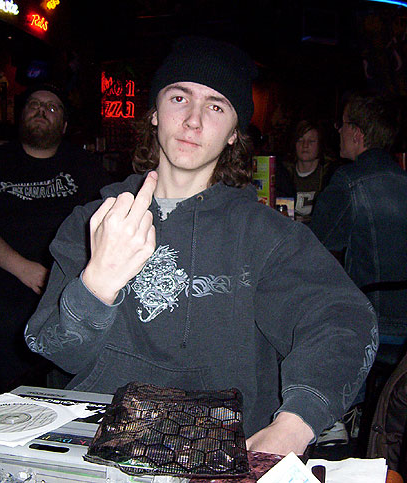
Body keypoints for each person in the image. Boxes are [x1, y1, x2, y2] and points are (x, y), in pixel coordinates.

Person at [25, 36, 377, 456]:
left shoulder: (265, 236)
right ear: (154, 113)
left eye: (215, 107)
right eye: (179, 98)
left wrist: (295, 424)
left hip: (219, 452)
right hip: (100, 444)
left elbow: (344, 321)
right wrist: (97, 283)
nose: (193, 120)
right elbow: (56, 352)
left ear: (233, 134)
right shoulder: (94, 221)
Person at [0, 83, 108, 393]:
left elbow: (105, 223)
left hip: (73, 283)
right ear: (21, 116)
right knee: (14, 382)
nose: (41, 110)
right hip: (9, 280)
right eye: (34, 105)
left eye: (52, 107)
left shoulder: (85, 166)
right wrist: (26, 270)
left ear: (64, 125)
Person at [311, 93, 407, 351]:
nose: (338, 130)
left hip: (375, 327)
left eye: (342, 124)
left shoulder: (349, 181)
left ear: (357, 133)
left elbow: (314, 245)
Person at [276, 119, 336, 222]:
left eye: (311, 141)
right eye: (300, 140)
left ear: (320, 144)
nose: (305, 145)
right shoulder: (283, 174)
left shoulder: (330, 176)